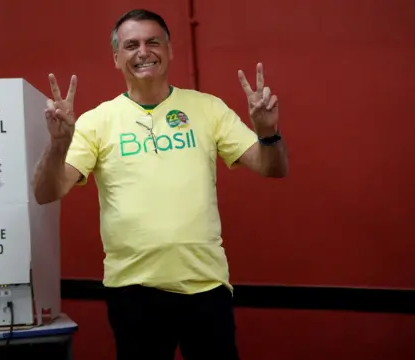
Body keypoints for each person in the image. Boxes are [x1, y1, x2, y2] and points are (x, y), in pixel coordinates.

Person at [33, 8, 288, 360]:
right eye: (131, 45)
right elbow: (47, 192)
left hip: (207, 286)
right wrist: (59, 143)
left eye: (153, 42)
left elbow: (271, 167)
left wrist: (267, 132)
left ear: (169, 50)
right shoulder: (97, 121)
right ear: (116, 58)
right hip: (133, 292)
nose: (143, 51)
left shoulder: (207, 109)